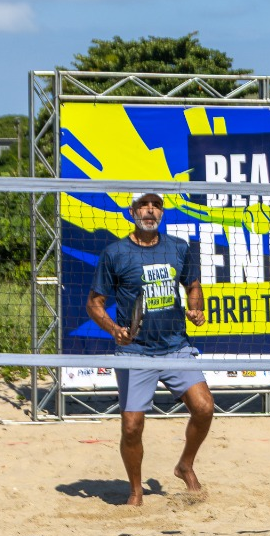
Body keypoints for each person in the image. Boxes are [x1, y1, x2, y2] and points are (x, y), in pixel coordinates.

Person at [84, 192, 214, 507]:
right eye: (143, 205)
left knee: (204, 408)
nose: (150, 210)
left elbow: (192, 286)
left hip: (175, 347)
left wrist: (196, 309)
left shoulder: (179, 248)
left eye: (155, 205)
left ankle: (185, 465)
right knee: (131, 427)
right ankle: (136, 490)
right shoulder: (115, 253)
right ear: (132, 212)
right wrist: (115, 330)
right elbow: (94, 304)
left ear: (162, 212)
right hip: (135, 352)